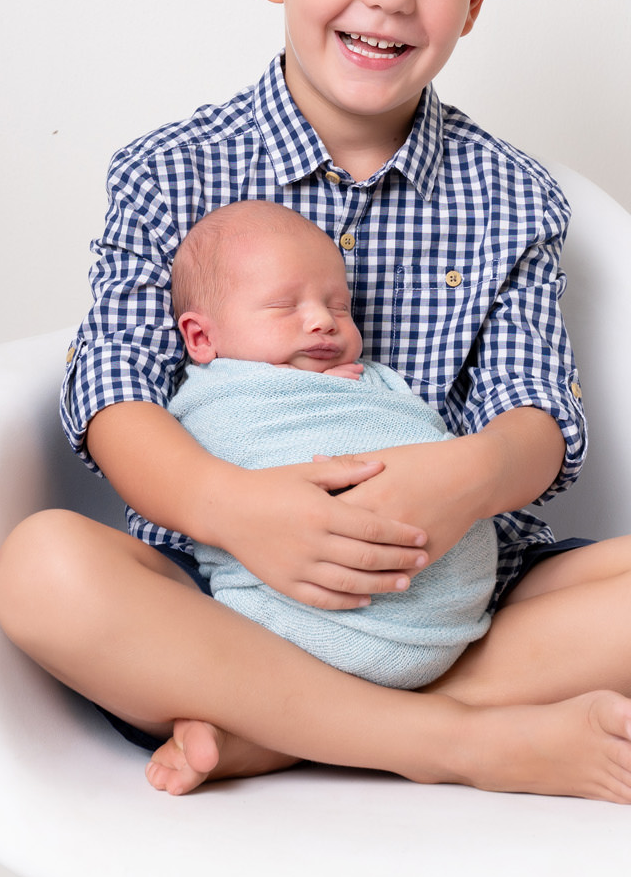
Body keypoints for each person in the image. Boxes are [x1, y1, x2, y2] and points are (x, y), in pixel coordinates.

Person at [0, 0, 631, 805]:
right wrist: (237, 508)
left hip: (449, 605)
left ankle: (276, 729)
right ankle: (453, 742)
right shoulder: (167, 170)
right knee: (39, 567)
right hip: (228, 599)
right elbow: (115, 396)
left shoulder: (509, 196)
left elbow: (535, 418)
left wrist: (467, 481)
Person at [168, 198, 499, 691]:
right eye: (285, 306)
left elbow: (425, 437)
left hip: (438, 623)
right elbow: (228, 451)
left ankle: (251, 728)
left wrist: (348, 391)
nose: (323, 321)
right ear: (200, 337)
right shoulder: (215, 397)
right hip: (283, 621)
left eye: (339, 306)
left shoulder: (372, 383)